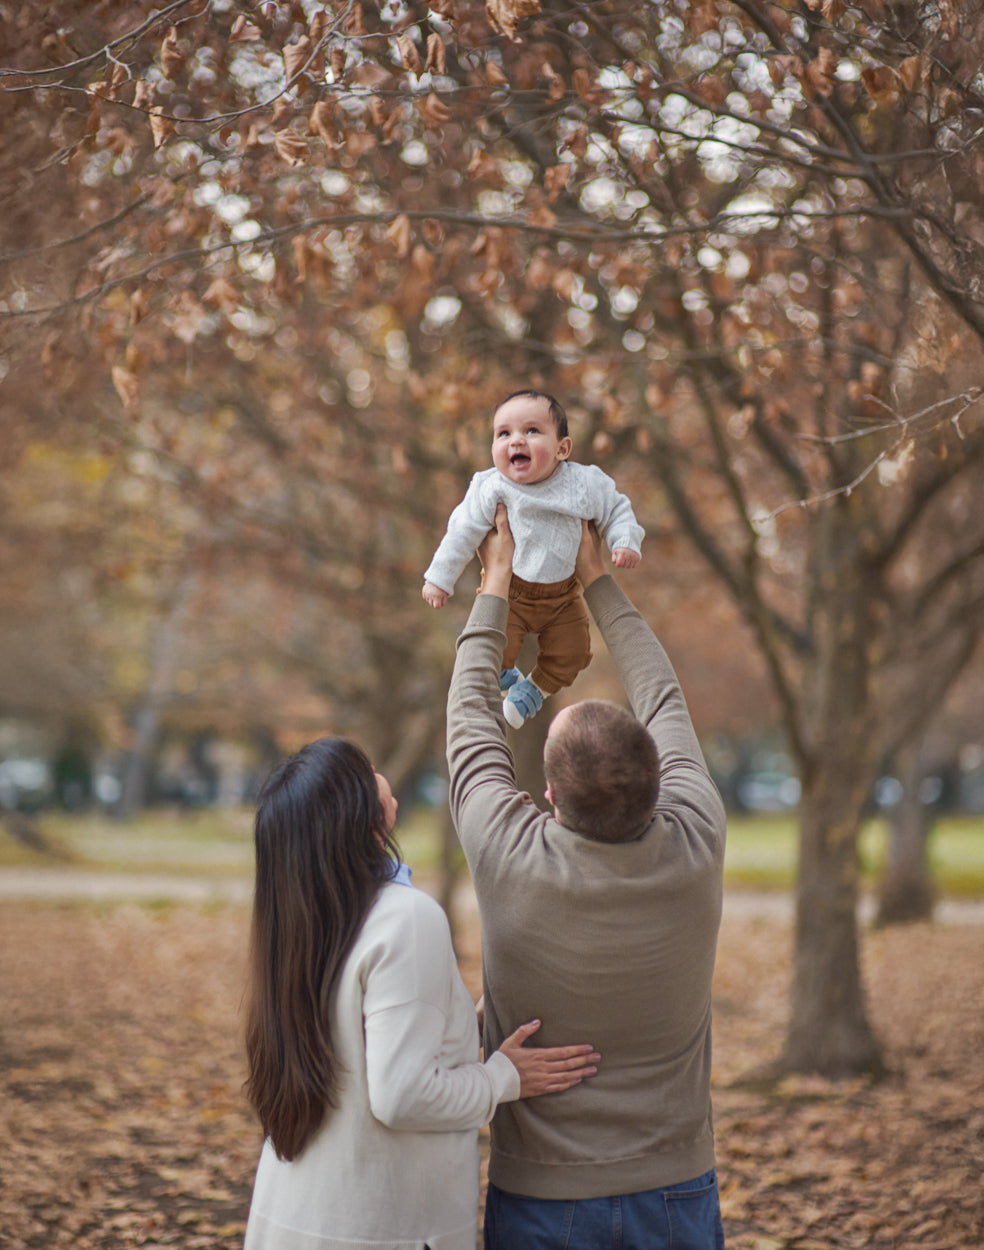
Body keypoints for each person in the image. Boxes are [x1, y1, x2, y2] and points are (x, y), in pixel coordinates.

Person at [446, 508, 726, 1250]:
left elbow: (471, 718)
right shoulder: (696, 838)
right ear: (662, 781)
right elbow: (664, 697)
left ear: (548, 798)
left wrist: (497, 580)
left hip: (543, 1203)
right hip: (678, 1195)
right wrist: (599, 578)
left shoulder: (510, 858)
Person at [243, 736, 600, 1250]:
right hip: (378, 1229)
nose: (379, 768)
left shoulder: (300, 923)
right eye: (365, 769)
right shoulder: (403, 917)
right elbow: (403, 1095)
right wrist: (501, 1077)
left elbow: (354, 1041)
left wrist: (461, 1023)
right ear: (361, 819)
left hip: (294, 1216)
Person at [423, 390, 644, 728]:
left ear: (562, 448)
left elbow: (617, 508)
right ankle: (506, 677)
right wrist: (440, 577)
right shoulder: (490, 487)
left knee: (575, 652)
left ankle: (534, 690)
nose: (516, 441)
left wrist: (624, 541)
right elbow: (461, 532)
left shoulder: (583, 484)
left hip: (563, 596)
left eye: (531, 431)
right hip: (510, 594)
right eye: (504, 433)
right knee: (490, 652)